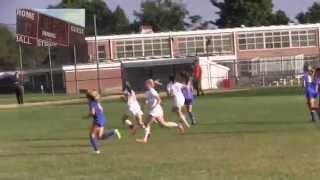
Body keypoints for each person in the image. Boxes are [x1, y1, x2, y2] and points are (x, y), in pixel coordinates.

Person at [137, 79, 184, 144]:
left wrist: (154, 106)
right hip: (156, 110)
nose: (145, 85)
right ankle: (178, 125)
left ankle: (145, 138)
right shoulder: (148, 92)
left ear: (150, 85)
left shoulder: (152, 91)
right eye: (145, 83)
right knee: (163, 124)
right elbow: (148, 100)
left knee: (146, 123)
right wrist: (143, 105)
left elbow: (159, 100)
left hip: (155, 110)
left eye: (147, 83)